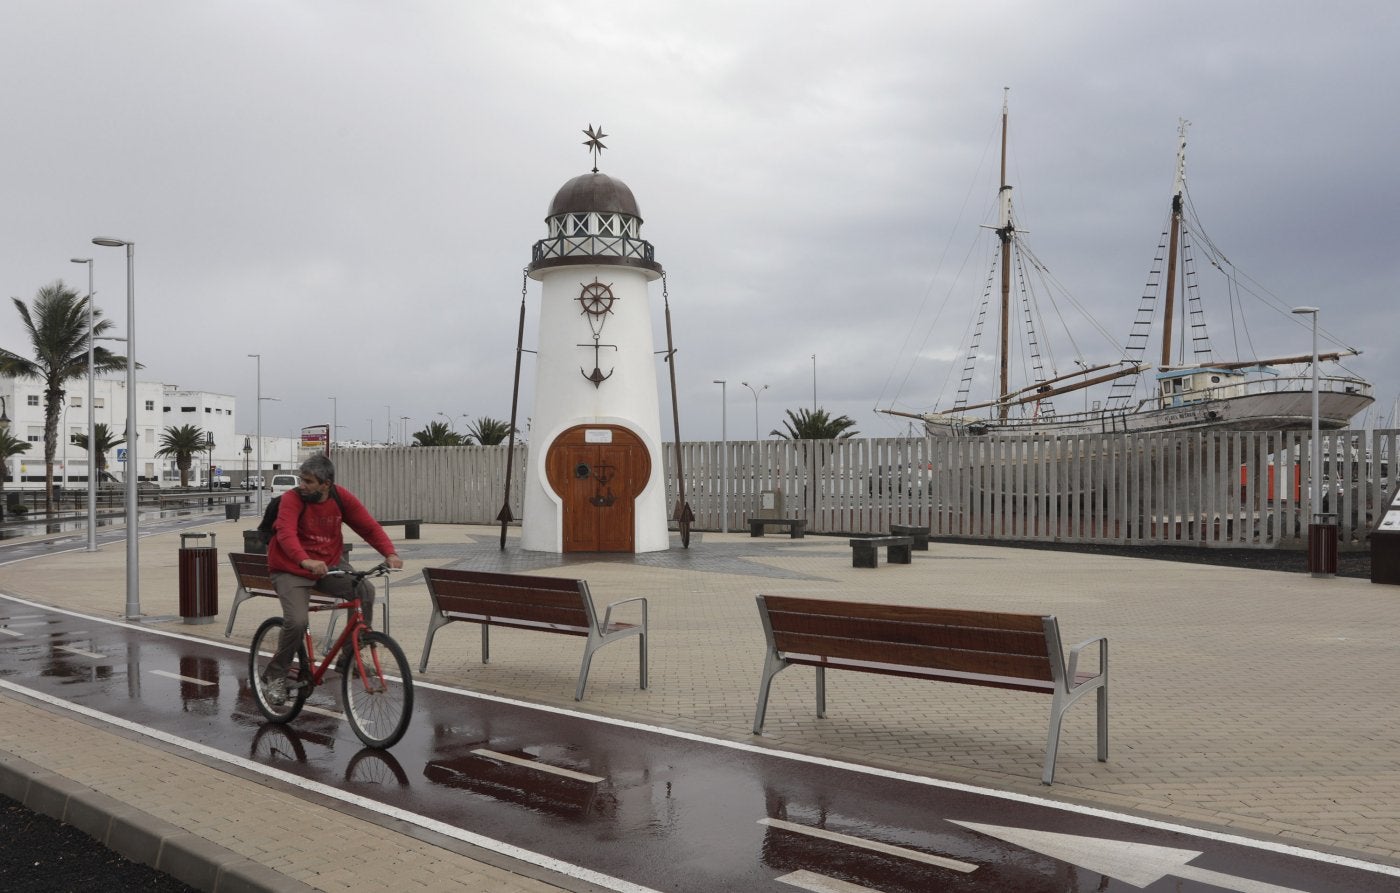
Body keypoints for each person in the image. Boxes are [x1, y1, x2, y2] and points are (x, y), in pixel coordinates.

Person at [262, 453, 403, 705]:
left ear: (326, 484)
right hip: (290, 568)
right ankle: (275, 676)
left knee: (364, 590)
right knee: (296, 620)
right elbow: (285, 533)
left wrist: (389, 553)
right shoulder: (292, 500)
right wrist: (305, 560)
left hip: (328, 567)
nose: (302, 485)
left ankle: (349, 660)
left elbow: (368, 527)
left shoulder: (340, 497)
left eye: (308, 482)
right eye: (301, 480)